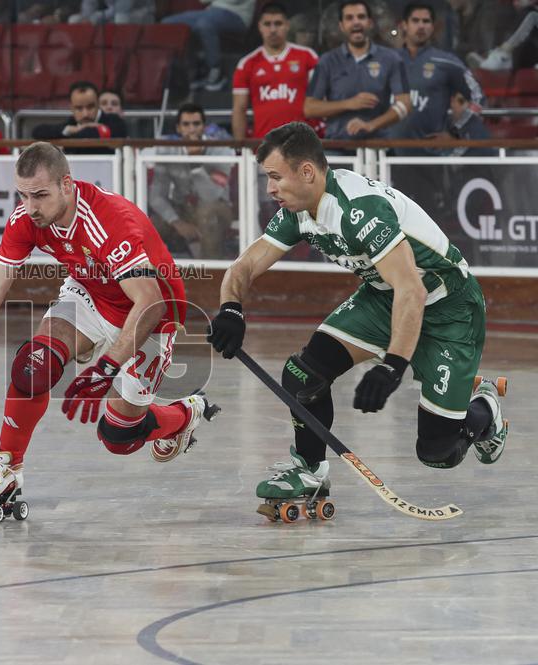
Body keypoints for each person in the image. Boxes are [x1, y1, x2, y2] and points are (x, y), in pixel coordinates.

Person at [208, 121, 508, 510]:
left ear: (307, 172)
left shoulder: (358, 210)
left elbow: (412, 290)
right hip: (384, 297)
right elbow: (242, 267)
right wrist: (231, 309)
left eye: (275, 177)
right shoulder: (297, 211)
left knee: (439, 452)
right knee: (302, 373)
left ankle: (485, 410)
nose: (270, 189)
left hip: (449, 307)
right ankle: (310, 469)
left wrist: (393, 367)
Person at [0, 142, 219, 522]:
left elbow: (150, 303)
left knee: (118, 437)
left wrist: (107, 366)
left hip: (149, 314)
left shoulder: (109, 221)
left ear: (67, 185)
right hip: (89, 294)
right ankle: (6, 467)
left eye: (39, 195)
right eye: (23, 195)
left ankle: (184, 414)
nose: (30, 207)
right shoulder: (28, 219)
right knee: (33, 366)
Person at [304, 1, 411, 140]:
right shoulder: (327, 61)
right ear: (341, 26)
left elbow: (405, 104)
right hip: (338, 146)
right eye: (349, 18)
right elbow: (309, 108)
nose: (356, 22)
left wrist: (371, 125)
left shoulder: (391, 59)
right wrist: (349, 103)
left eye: (361, 17)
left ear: (370, 22)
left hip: (378, 146)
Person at [147, 103, 236, 260]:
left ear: (204, 127)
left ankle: (210, 275)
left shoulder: (221, 149)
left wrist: (195, 163)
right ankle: (155, 278)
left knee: (209, 216)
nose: (192, 129)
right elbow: (156, 196)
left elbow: (212, 197)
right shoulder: (165, 150)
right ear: (178, 128)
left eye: (196, 124)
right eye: (186, 124)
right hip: (182, 208)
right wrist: (176, 221)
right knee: (152, 225)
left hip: (218, 207)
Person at [395, 2, 485, 156]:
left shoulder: (447, 62)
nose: (421, 26)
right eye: (415, 21)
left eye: (426, 21)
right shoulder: (388, 61)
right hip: (387, 155)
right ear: (404, 25)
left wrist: (456, 132)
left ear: (433, 26)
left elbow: (478, 96)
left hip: (431, 157)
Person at [232, 2, 320, 141]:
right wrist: (240, 151)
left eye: (278, 23)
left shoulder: (307, 56)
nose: (273, 29)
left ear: (287, 25)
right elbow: (239, 109)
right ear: (260, 27)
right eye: (267, 24)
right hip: (265, 146)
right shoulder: (247, 64)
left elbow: (320, 100)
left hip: (302, 144)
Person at [163, 0, 256, 91]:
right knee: (168, 23)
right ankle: (195, 70)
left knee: (204, 24)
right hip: (211, 12)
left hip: (237, 16)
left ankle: (216, 72)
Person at [32, 80, 128, 154]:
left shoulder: (114, 120)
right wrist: (69, 130)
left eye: (90, 107)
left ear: (98, 104)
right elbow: (37, 131)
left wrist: (67, 142)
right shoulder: (71, 124)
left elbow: (90, 135)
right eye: (79, 108)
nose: (85, 114)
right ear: (71, 108)